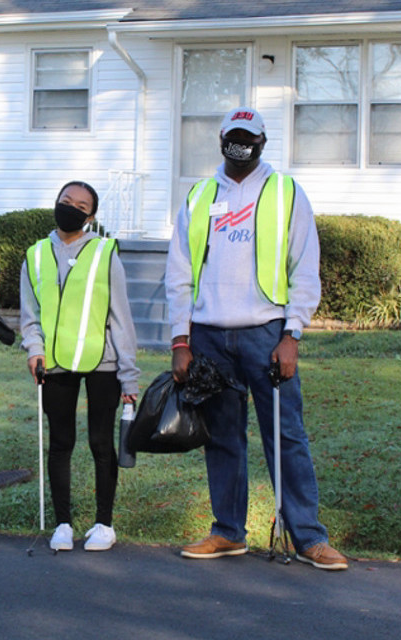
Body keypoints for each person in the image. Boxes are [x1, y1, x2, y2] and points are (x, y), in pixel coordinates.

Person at [164, 107, 348, 570]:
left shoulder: (286, 192)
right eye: (233, 136)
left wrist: (293, 333)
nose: (240, 144)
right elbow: (179, 273)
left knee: (286, 437)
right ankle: (228, 532)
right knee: (223, 437)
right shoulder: (201, 195)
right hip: (208, 337)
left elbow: (305, 268)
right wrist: (180, 339)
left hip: (267, 333)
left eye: (248, 137)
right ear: (221, 139)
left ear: (262, 142)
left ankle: (308, 537)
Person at [19, 181, 140, 552]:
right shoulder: (36, 254)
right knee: (61, 442)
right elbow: (30, 314)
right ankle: (62, 524)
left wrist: (129, 373)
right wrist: (33, 349)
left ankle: (104, 523)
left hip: (101, 362)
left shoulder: (105, 253)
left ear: (91, 216)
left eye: (81, 205)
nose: (71, 207)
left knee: (101, 442)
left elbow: (121, 317)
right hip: (54, 363)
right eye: (65, 200)